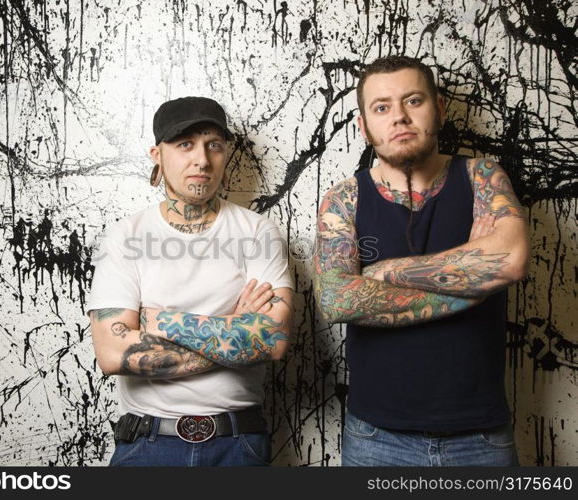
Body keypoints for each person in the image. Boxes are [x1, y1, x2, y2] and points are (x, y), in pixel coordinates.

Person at [313, 56, 530, 466]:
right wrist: (470, 289)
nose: (399, 117)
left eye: (413, 101)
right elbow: (338, 300)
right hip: (376, 438)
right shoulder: (345, 198)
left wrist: (382, 273)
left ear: (440, 109)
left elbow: (511, 259)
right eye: (381, 107)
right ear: (364, 125)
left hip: (480, 437)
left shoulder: (482, 177)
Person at [86, 96, 294, 466]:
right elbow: (113, 353)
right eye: (185, 144)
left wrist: (161, 321)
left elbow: (272, 341)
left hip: (238, 443)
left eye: (214, 145)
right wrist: (234, 331)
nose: (202, 159)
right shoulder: (125, 236)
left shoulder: (258, 232)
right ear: (157, 154)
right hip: (148, 444)